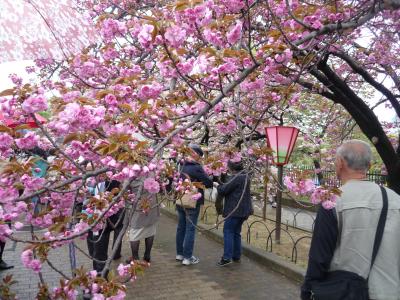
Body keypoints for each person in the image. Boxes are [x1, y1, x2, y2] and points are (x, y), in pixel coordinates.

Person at [301, 140, 400, 300]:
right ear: (369, 165)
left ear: (340, 163)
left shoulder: (333, 201)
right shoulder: (395, 200)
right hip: (389, 292)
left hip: (346, 292)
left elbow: (319, 257)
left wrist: (307, 290)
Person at [176, 144, 213, 266]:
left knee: (181, 227)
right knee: (190, 228)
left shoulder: (181, 165)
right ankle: (187, 257)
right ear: (196, 155)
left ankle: (180, 254)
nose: (200, 159)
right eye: (200, 156)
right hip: (192, 201)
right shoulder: (196, 167)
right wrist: (209, 179)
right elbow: (208, 183)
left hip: (181, 199)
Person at [216, 160, 253, 266]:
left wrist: (217, 185)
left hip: (234, 210)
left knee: (228, 231)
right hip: (244, 210)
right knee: (236, 232)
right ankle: (236, 256)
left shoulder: (236, 178)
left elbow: (223, 190)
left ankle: (226, 257)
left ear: (231, 168)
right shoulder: (246, 176)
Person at [86, 179, 124, 273]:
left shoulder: (112, 177)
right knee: (93, 249)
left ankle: (101, 276)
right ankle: (99, 271)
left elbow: (118, 195)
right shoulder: (88, 177)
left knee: (100, 251)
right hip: (89, 217)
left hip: (106, 220)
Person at [127, 182, 160, 264]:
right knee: (150, 229)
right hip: (151, 203)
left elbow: (126, 187)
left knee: (135, 233)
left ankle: (135, 258)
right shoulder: (152, 170)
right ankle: (147, 255)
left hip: (139, 205)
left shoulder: (134, 172)